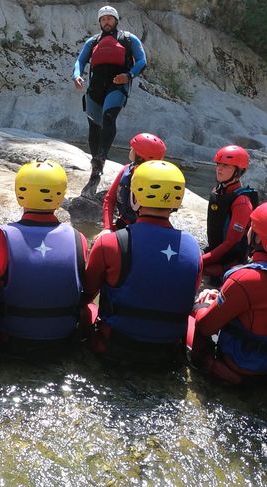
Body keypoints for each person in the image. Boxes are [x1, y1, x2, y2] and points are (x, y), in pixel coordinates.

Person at [84, 160, 201, 368]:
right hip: (167, 353)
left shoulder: (110, 242)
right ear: (177, 200)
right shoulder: (192, 248)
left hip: (114, 346)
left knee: (87, 309)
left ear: (135, 197)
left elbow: (85, 294)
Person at [189, 201, 267, 385]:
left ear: (258, 238)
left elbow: (205, 326)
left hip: (242, 367)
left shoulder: (246, 279)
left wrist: (204, 304)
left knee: (192, 314)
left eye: (252, 228)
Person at [0, 160, 90, 359]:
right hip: (62, 339)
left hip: (10, 339)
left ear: (19, 191)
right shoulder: (78, 239)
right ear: (60, 194)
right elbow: (85, 292)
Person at [73, 5, 147, 197]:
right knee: (93, 126)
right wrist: (77, 75)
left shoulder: (129, 39)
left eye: (109, 18)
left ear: (116, 20)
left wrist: (128, 75)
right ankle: (95, 170)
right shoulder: (93, 41)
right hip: (95, 89)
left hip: (117, 85)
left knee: (108, 116)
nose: (106, 21)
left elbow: (141, 61)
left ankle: (102, 156)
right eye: (103, 19)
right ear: (99, 22)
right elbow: (80, 61)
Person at [202, 145, 258, 282]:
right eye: (218, 164)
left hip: (230, 264)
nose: (219, 169)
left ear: (238, 172)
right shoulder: (218, 190)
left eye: (226, 166)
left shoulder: (242, 201)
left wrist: (202, 261)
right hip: (216, 255)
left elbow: (231, 243)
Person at [101, 133, 166, 231]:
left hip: (144, 229)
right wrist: (107, 228)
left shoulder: (157, 182)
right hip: (123, 224)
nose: (130, 149)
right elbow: (110, 199)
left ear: (140, 157)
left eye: (133, 149)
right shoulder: (126, 170)